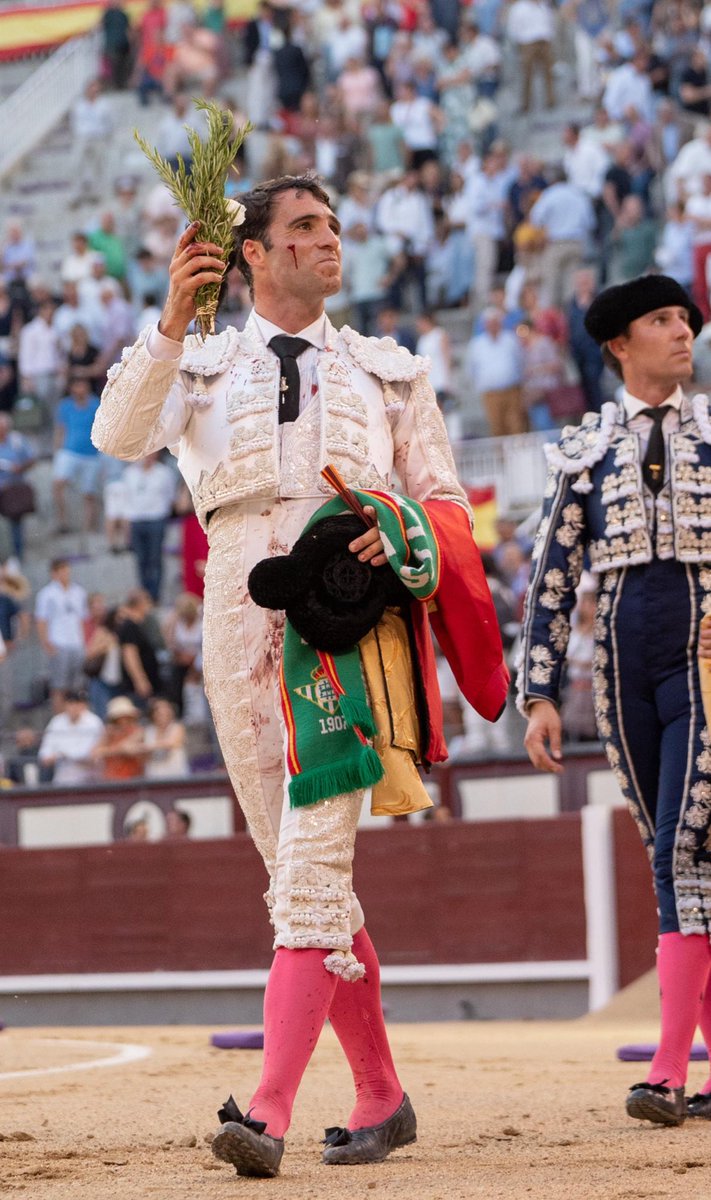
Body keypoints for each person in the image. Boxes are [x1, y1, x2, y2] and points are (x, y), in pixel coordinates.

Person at [92, 172, 507, 1177]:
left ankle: (266, 1112)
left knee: (314, 875)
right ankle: (381, 1095)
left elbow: (445, 508)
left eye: (335, 224)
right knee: (297, 879)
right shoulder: (196, 364)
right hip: (235, 629)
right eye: (308, 227)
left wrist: (394, 531)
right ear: (257, 255)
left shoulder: (389, 370)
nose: (331, 241)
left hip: (350, 633)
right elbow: (116, 436)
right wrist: (171, 318)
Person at [518, 273, 711, 1127]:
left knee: (682, 851)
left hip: (703, 664)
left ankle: (667, 1072)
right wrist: (540, 693)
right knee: (671, 859)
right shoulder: (585, 449)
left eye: (685, 321)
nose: (683, 333)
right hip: (622, 672)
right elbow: (553, 579)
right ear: (618, 345)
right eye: (663, 321)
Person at [35, 559, 89, 712]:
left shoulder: (78, 592)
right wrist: (46, 642)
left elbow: (82, 619)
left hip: (76, 642)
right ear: (54, 573)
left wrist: (84, 641)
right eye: (61, 571)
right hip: (58, 642)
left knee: (78, 685)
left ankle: (78, 715)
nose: (65, 574)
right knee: (59, 686)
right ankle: (60, 718)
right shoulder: (46, 594)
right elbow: (41, 620)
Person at [38, 689, 104, 786]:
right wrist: (58, 756)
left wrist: (62, 754)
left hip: (89, 779)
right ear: (65, 705)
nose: (74, 707)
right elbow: (44, 754)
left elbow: (89, 755)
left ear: (85, 705)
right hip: (62, 778)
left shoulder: (94, 722)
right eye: (71, 703)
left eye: (78, 703)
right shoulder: (57, 722)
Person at [143, 696, 189, 778]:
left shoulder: (178, 727)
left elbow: (172, 742)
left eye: (166, 709)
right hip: (154, 778)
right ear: (153, 714)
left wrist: (146, 746)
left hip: (177, 777)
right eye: (158, 710)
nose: (163, 712)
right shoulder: (148, 731)